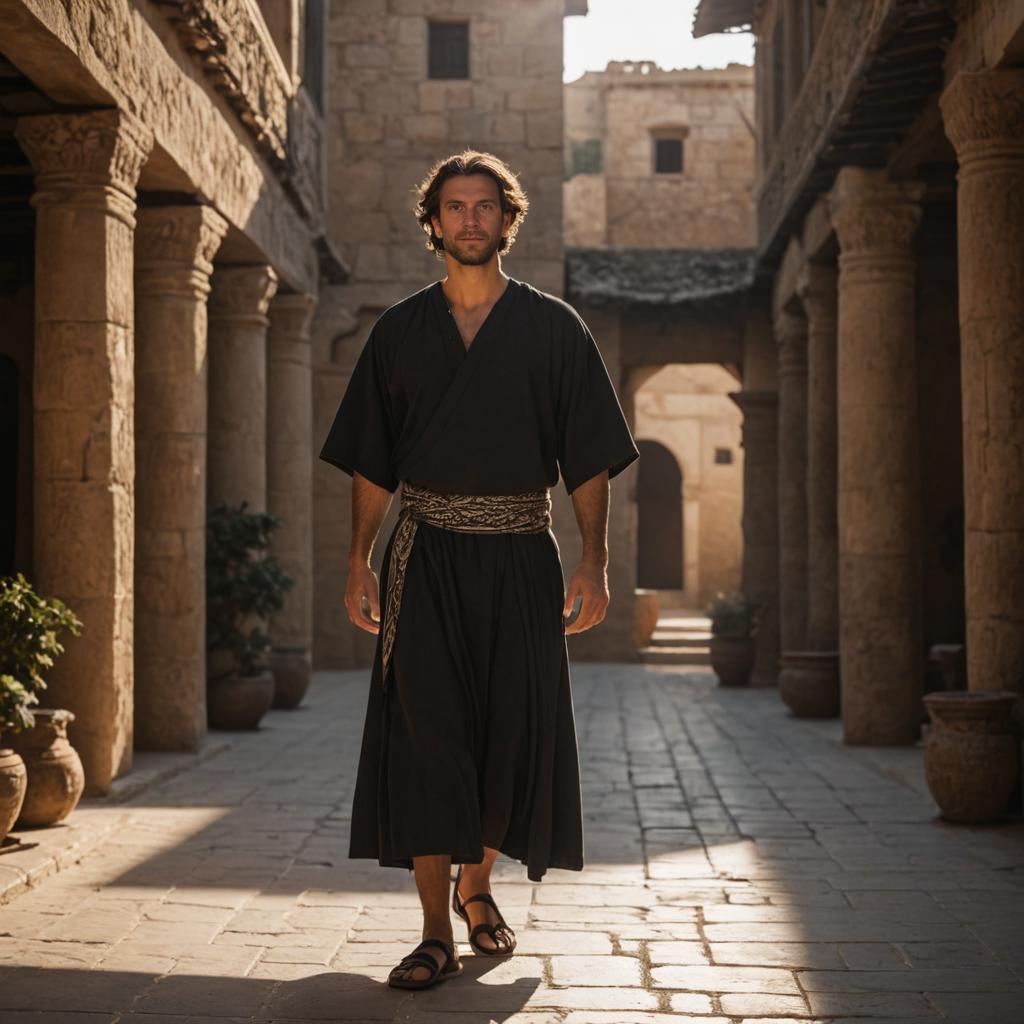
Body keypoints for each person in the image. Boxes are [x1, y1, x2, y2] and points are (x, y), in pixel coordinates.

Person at [319, 150, 639, 990]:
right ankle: (434, 932)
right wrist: (357, 557)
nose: (469, 220)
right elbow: (371, 462)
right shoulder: (397, 333)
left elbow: (590, 460)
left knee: (506, 735)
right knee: (428, 741)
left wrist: (594, 562)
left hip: (520, 554)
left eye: (484, 207)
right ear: (432, 223)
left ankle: (478, 884)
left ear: (507, 220)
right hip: (421, 558)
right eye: (454, 207)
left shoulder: (553, 328)